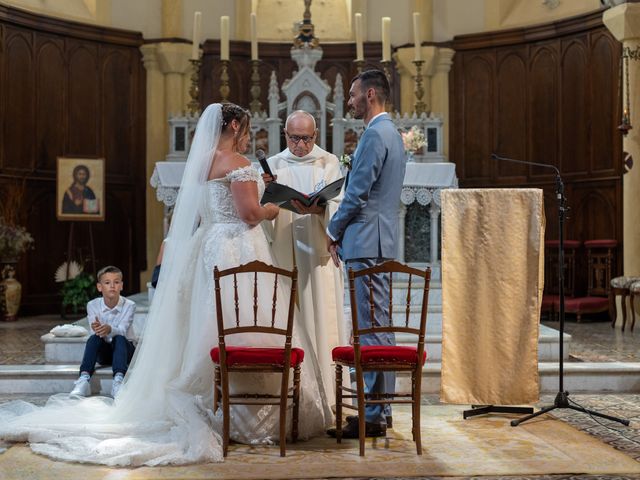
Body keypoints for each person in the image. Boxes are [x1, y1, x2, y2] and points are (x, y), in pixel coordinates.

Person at [0, 103, 331, 466]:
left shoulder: (202, 160)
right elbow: (250, 214)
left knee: (207, 322)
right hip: (238, 247)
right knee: (243, 321)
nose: (249, 137)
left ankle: (214, 400)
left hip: (208, 246)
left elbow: (208, 210)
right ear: (234, 125)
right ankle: (246, 413)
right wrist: (274, 205)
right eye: (247, 129)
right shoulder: (237, 164)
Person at [326, 70, 406, 439]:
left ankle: (373, 415)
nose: (349, 101)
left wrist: (333, 229)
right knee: (379, 328)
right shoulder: (392, 133)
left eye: (354, 94)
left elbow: (357, 195)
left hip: (367, 242)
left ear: (370, 94)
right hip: (380, 241)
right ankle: (380, 408)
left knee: (371, 331)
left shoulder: (376, 134)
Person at [262, 110, 346, 401]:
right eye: (294, 138)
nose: (300, 145)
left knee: (320, 319)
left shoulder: (328, 162)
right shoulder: (273, 165)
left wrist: (320, 209)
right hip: (283, 249)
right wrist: (267, 191)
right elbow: (262, 216)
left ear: (316, 135)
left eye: (306, 139)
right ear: (285, 135)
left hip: (316, 253)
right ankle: (287, 393)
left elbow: (338, 203)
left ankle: (325, 394)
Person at [69, 265, 136, 399]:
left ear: (121, 286)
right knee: (94, 339)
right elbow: (96, 330)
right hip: (104, 352)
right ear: (100, 287)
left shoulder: (130, 305)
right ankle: (83, 379)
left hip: (124, 350)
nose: (112, 286)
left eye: (116, 282)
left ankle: (118, 381)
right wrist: (100, 329)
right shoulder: (92, 305)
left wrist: (110, 329)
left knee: (119, 338)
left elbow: (122, 330)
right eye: (107, 283)